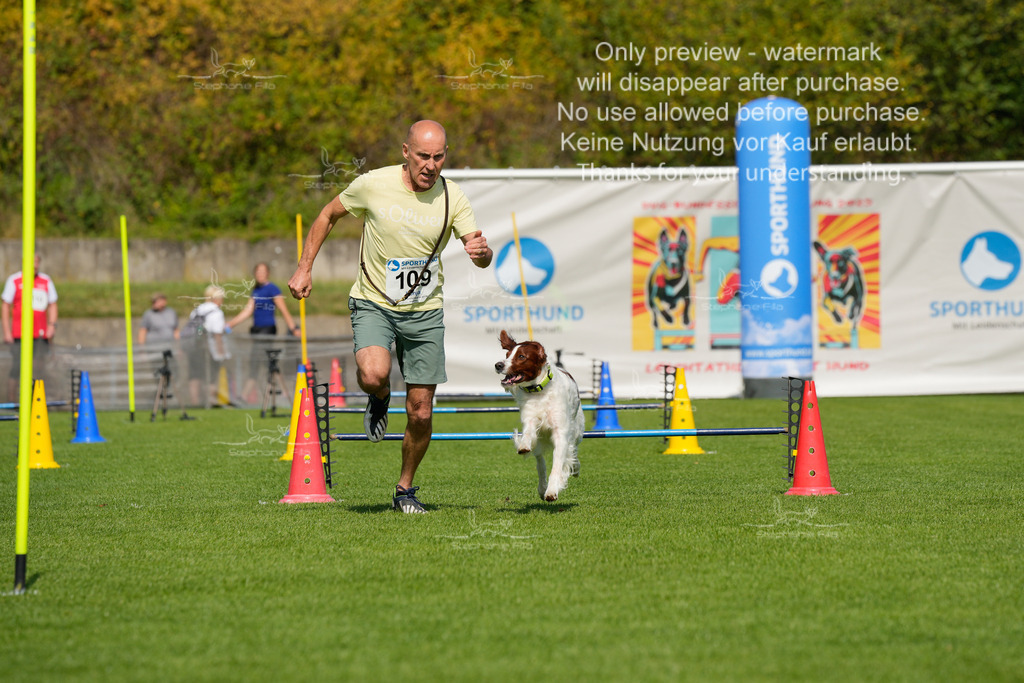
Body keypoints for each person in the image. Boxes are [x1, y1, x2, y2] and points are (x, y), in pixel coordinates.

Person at [288, 120, 492, 514]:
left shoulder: (454, 198)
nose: (431, 165)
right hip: (374, 301)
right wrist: (304, 267)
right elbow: (328, 215)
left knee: (421, 411)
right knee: (373, 375)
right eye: (422, 156)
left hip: (424, 311)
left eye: (438, 156)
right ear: (405, 152)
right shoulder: (373, 184)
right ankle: (379, 398)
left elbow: (479, 252)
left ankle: (404, 488)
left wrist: (482, 254)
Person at [225, 262, 300, 403]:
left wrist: (293, 327)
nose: (260, 274)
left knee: (259, 361)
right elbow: (248, 311)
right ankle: (281, 392)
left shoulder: (272, 289)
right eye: (257, 271)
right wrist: (231, 324)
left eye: (262, 271)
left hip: (267, 330)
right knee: (265, 362)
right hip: (257, 330)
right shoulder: (256, 291)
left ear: (268, 273)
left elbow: (283, 309)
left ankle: (245, 395)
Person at [1, 254, 58, 401]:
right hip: (19, 334)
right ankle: (12, 401)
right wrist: (7, 331)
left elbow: (53, 304)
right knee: (16, 368)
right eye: (32, 262)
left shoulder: (45, 280)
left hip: (40, 334)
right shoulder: (14, 280)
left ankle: (38, 400)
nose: (35, 265)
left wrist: (52, 325)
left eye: (37, 262)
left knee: (39, 368)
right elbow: (6, 305)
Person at [184, 285, 230, 407]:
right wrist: (221, 353)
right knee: (211, 375)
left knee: (194, 375)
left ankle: (194, 402)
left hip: (194, 347)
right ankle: (210, 401)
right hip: (208, 349)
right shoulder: (216, 312)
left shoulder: (197, 310)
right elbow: (217, 335)